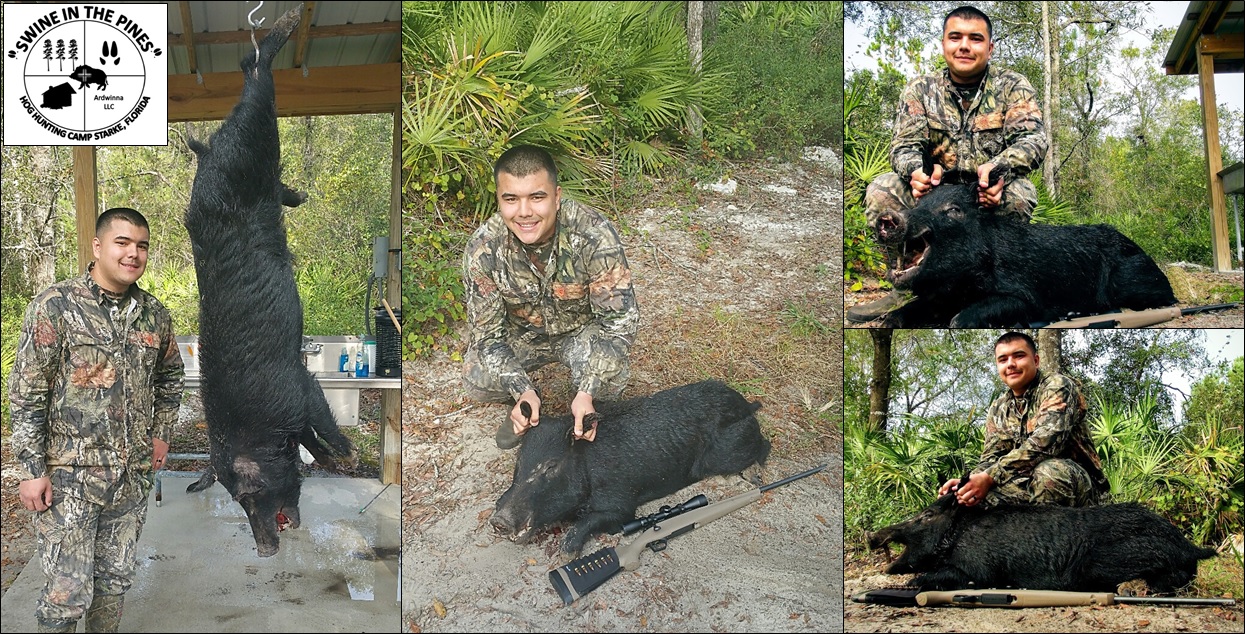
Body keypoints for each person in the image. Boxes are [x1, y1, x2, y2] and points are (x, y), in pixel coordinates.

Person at [9, 207, 185, 634]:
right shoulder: (57, 306)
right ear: (98, 246)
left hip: (130, 477)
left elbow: (171, 376)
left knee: (114, 582)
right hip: (71, 478)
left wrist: (160, 435)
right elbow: (27, 393)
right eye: (122, 243)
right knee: (66, 595)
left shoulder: (153, 314)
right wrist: (31, 471)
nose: (133, 254)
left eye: (141, 246)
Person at [847, 5, 1049, 323]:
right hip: (934, 195)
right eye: (955, 37)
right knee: (881, 189)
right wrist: (916, 171)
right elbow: (903, 146)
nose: (964, 46)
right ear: (943, 44)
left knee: (1020, 194)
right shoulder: (921, 89)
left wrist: (998, 169)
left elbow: (1033, 141)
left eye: (975, 38)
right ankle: (906, 284)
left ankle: (994, 289)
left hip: (982, 195)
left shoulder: (1014, 87)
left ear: (990, 47)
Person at [461, 145, 639, 449]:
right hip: (523, 336)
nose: (524, 212)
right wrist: (522, 390)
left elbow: (619, 323)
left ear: (556, 197)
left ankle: (587, 411)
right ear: (499, 201)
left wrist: (587, 390)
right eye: (511, 199)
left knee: (612, 379)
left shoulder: (594, 235)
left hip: (580, 331)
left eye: (537, 197)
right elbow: (488, 337)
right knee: (477, 377)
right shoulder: (483, 249)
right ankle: (526, 406)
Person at [939, 331, 1107, 508]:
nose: (1011, 364)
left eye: (1019, 356)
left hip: (1076, 483)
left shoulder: (1057, 386)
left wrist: (990, 477)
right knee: (969, 500)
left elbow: (1046, 443)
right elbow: (991, 458)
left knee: (1050, 473)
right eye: (1003, 360)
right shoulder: (999, 408)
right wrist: (968, 484)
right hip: (1024, 483)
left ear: (1035, 360)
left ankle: (1050, 535)